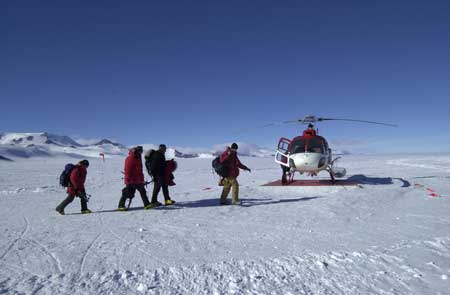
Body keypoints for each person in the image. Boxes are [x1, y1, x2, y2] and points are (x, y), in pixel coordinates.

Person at [118, 146, 152, 211]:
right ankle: (121, 205)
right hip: (131, 180)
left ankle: (147, 204)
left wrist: (142, 179)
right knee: (127, 193)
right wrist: (128, 179)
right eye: (140, 151)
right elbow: (128, 169)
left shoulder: (138, 158)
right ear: (137, 151)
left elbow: (139, 170)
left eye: (141, 151)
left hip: (138, 179)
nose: (141, 152)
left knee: (143, 192)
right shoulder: (131, 158)